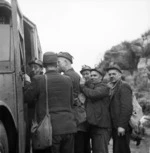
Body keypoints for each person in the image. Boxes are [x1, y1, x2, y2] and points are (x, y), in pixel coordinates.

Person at [24, 52, 77, 153]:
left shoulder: (39, 79)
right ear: (56, 63)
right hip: (69, 127)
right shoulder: (68, 79)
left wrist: (27, 83)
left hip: (51, 130)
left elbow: (27, 98)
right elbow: (71, 102)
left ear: (44, 65)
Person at [57, 52, 91, 153]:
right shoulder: (74, 75)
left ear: (66, 62)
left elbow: (69, 98)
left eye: (58, 62)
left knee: (78, 146)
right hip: (80, 116)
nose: (57, 64)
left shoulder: (68, 76)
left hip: (75, 117)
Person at [80, 67, 111, 153]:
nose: (92, 77)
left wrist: (82, 86)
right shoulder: (93, 87)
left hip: (102, 127)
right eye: (91, 75)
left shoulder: (104, 87)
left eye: (95, 75)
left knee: (100, 150)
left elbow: (93, 94)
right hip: (94, 125)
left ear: (101, 77)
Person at [106, 64, 133, 153]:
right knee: (117, 149)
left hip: (121, 126)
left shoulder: (124, 86)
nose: (111, 76)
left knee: (122, 150)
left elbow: (127, 107)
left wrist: (122, 125)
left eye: (114, 74)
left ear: (120, 75)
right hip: (115, 126)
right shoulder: (112, 87)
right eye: (109, 74)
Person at [25, 58, 43, 153]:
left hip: (39, 114)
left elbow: (29, 97)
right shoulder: (31, 78)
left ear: (41, 69)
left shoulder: (40, 79)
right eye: (31, 67)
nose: (33, 69)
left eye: (35, 67)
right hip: (32, 114)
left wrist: (27, 83)